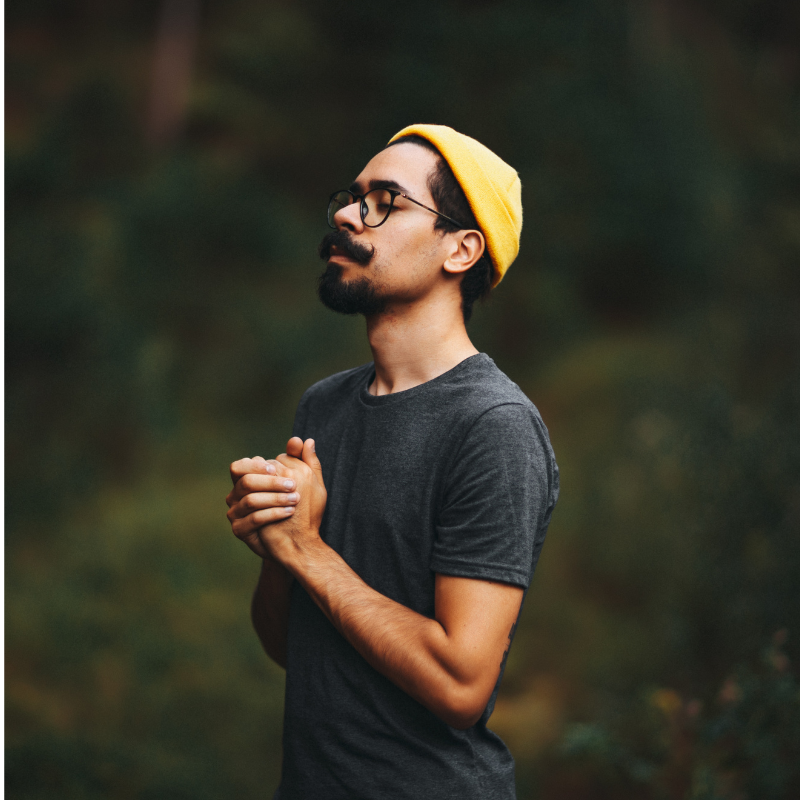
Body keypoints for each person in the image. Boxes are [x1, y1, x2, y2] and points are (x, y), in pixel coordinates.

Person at [225, 124, 559, 799]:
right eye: (351, 197)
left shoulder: (491, 427)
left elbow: (462, 686)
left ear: (461, 249)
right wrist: (277, 548)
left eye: (385, 200)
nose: (349, 214)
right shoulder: (325, 405)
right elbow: (289, 648)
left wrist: (308, 552)